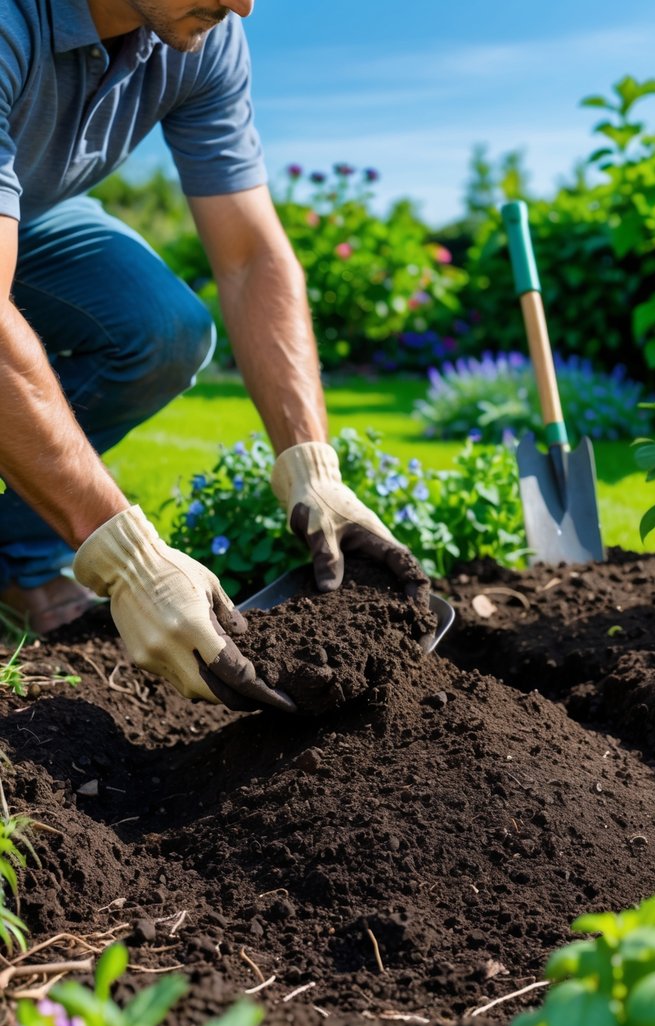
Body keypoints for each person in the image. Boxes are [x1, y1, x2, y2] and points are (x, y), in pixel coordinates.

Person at [0, 0, 428, 712]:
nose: (243, 4)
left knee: (161, 329)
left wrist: (311, 467)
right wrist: (126, 557)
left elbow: (253, 257)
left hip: (29, 210)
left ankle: (15, 553)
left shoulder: (202, 35)